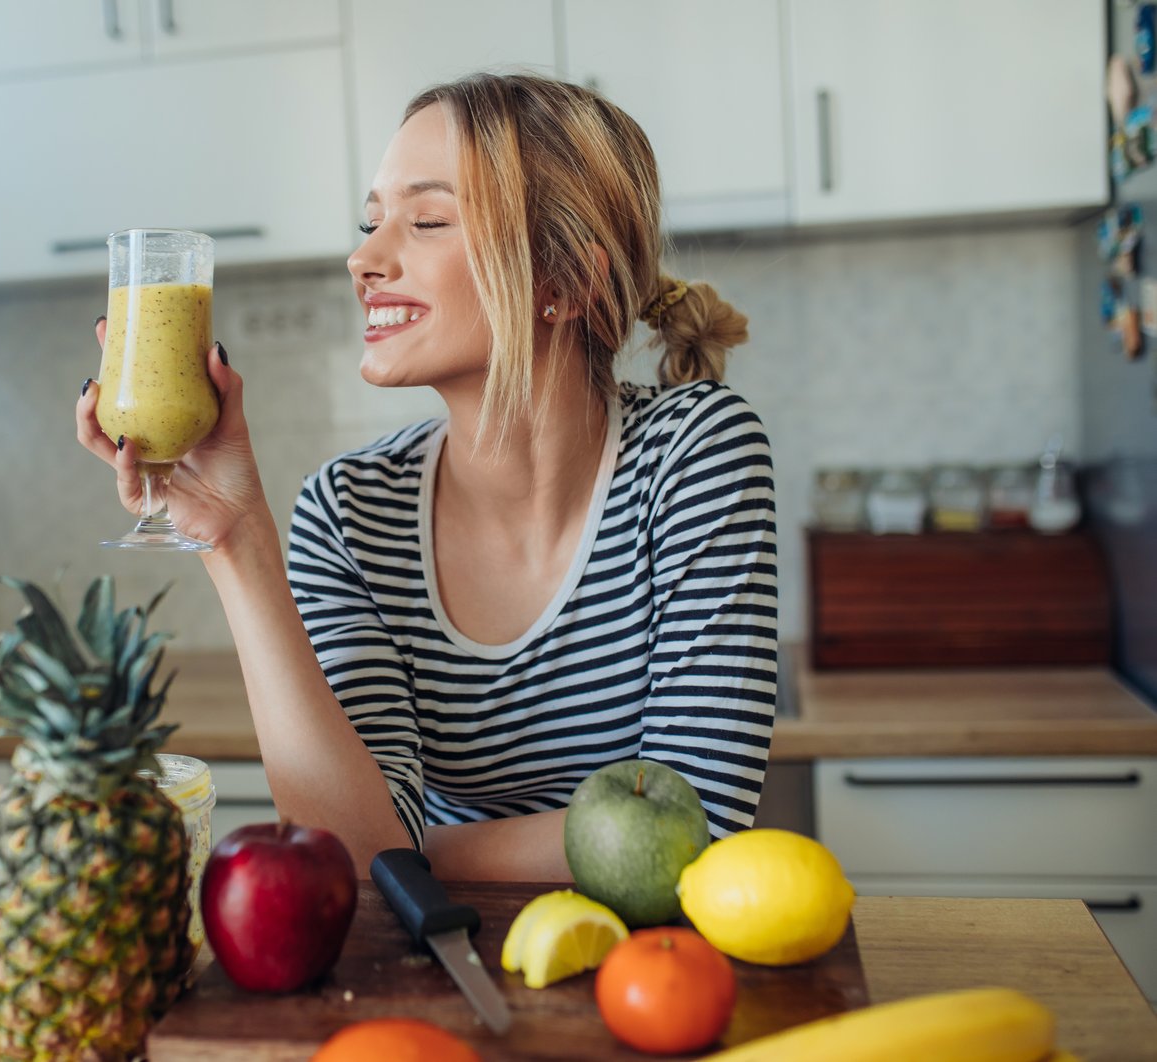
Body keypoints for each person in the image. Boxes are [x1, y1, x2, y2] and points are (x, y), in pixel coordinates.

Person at [77, 73, 777, 881]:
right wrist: (235, 539)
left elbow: (699, 832)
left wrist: (408, 855)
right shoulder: (350, 512)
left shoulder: (696, 454)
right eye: (372, 221)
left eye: (428, 220)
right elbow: (352, 856)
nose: (363, 258)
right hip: (433, 964)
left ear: (565, 282)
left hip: (648, 985)